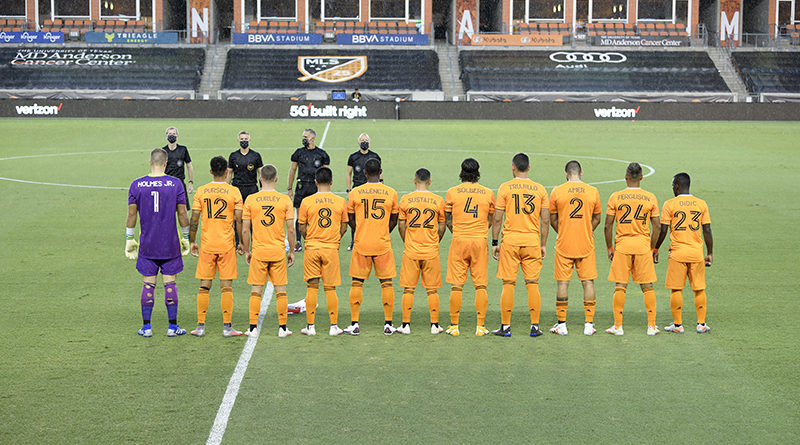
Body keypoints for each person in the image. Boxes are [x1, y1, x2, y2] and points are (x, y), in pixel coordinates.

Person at [125, 148, 191, 337]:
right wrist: (186, 236)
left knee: (148, 285)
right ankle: (172, 327)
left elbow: (131, 214)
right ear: (165, 163)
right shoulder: (176, 184)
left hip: (148, 244)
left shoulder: (136, 185)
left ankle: (146, 328)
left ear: (150, 162)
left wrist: (130, 238)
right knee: (170, 284)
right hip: (170, 244)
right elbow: (182, 213)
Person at [490, 153, 549, 338]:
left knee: (508, 284)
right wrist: (543, 244)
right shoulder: (540, 189)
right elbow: (545, 221)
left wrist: (494, 242)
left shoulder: (505, 188)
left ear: (513, 167)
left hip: (511, 242)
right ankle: (534, 327)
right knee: (533, 284)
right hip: (532, 241)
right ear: (529, 168)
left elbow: (497, 218)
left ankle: (506, 327)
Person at [189, 156, 245, 338]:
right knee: (226, 287)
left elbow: (194, 219)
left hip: (207, 244)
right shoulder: (234, 192)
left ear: (211, 171)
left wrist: (192, 241)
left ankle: (200, 327)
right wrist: (241, 243)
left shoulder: (202, 191)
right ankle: (227, 328)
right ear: (227, 171)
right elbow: (238, 220)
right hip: (227, 245)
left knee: (204, 287)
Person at [604, 162, 661, 336]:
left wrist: (609, 247)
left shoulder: (616, 197)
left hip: (623, 246)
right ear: (642, 177)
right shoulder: (650, 197)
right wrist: (653, 248)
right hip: (643, 246)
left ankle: (618, 326)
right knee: (647, 286)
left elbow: (607, 225)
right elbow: (657, 226)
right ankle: (651, 326)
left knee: (620, 286)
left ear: (626, 177)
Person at [344, 158, 399, 335]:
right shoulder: (391, 193)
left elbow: (350, 218)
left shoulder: (355, 192)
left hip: (362, 244)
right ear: (380, 172)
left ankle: (354, 324)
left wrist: (360, 230)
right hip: (382, 243)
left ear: (365, 173)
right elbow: (394, 220)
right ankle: (388, 324)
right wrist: (383, 230)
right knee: (387, 283)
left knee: (357, 283)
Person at [547, 160, 602, 336]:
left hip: (564, 243)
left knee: (563, 283)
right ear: (581, 173)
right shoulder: (593, 191)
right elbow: (597, 218)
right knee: (588, 282)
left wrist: (562, 231)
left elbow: (552, 219)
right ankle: (588, 325)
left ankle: (562, 325)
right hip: (585, 243)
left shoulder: (557, 191)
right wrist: (586, 230)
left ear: (566, 174)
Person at [653, 173, 713, 334]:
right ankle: (701, 324)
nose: (672, 188)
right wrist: (710, 253)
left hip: (678, 253)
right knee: (699, 289)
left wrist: (656, 248)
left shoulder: (669, 204)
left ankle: (678, 325)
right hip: (696, 253)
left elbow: (663, 229)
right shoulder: (701, 204)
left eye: (673, 185)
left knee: (676, 289)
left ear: (677, 186)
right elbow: (707, 229)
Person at [241, 165, 296, 338]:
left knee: (256, 290)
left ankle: (252, 328)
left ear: (260, 179)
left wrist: (247, 250)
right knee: (281, 291)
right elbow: (291, 230)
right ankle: (282, 328)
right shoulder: (285, 200)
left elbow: (244, 229)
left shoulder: (251, 199)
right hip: (278, 251)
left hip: (259, 251)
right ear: (276, 179)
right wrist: (292, 251)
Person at [444, 158, 495, 337]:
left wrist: (456, 230)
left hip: (459, 240)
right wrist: (481, 230)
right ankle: (480, 326)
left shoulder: (452, 193)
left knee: (456, 285)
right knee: (480, 285)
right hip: (479, 241)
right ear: (478, 172)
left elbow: (447, 217)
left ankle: (454, 326)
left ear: (461, 172)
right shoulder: (488, 193)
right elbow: (491, 218)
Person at [297, 167, 349, 336]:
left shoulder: (307, 201)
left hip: (312, 248)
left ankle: (310, 327)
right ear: (332, 182)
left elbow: (302, 226)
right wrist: (335, 238)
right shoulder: (340, 201)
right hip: (331, 249)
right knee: (330, 288)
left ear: (315, 182)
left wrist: (309, 238)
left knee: (312, 287)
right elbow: (344, 226)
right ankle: (334, 326)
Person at [397, 168, 447, 335]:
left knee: (408, 289)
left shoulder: (406, 199)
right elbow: (442, 226)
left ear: (414, 181)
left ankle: (405, 325)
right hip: (430, 250)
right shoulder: (438, 200)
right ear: (430, 182)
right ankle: (434, 325)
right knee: (432, 289)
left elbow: (401, 225)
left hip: (411, 250)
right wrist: (435, 240)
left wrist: (407, 240)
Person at [287, 128, 330, 252]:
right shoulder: (298, 153)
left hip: (315, 187)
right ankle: (298, 242)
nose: (304, 139)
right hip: (301, 187)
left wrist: (326, 189)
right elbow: (292, 170)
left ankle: (315, 237)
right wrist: (290, 188)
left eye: (306, 137)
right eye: (303, 137)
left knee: (315, 214)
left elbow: (326, 173)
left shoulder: (322, 154)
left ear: (313, 138)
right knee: (300, 216)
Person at [345, 133, 381, 251]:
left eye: (366, 140)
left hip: (372, 189)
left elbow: (380, 173)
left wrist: (381, 186)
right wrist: (348, 190)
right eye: (362, 140)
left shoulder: (375, 156)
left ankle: (372, 239)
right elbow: (348, 174)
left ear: (369, 142)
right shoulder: (353, 157)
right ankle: (353, 241)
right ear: (358, 142)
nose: (364, 142)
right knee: (354, 215)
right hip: (357, 189)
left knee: (370, 214)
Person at [226, 131, 263, 244]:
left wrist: (262, 188)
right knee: (238, 217)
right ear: (238, 140)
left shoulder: (256, 155)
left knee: (253, 217)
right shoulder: (233, 156)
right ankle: (238, 242)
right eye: (242, 139)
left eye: (246, 139)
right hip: (237, 189)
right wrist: (226, 188)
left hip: (252, 189)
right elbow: (229, 173)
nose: (244, 141)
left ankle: (253, 241)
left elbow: (260, 172)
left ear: (249, 140)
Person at [163, 126, 194, 209]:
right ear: (166, 136)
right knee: (167, 209)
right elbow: (159, 168)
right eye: (170, 134)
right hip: (167, 184)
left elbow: (189, 166)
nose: (172, 135)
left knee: (183, 210)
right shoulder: (163, 151)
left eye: (174, 134)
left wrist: (190, 182)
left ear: (177, 136)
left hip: (180, 183)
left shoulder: (183, 149)